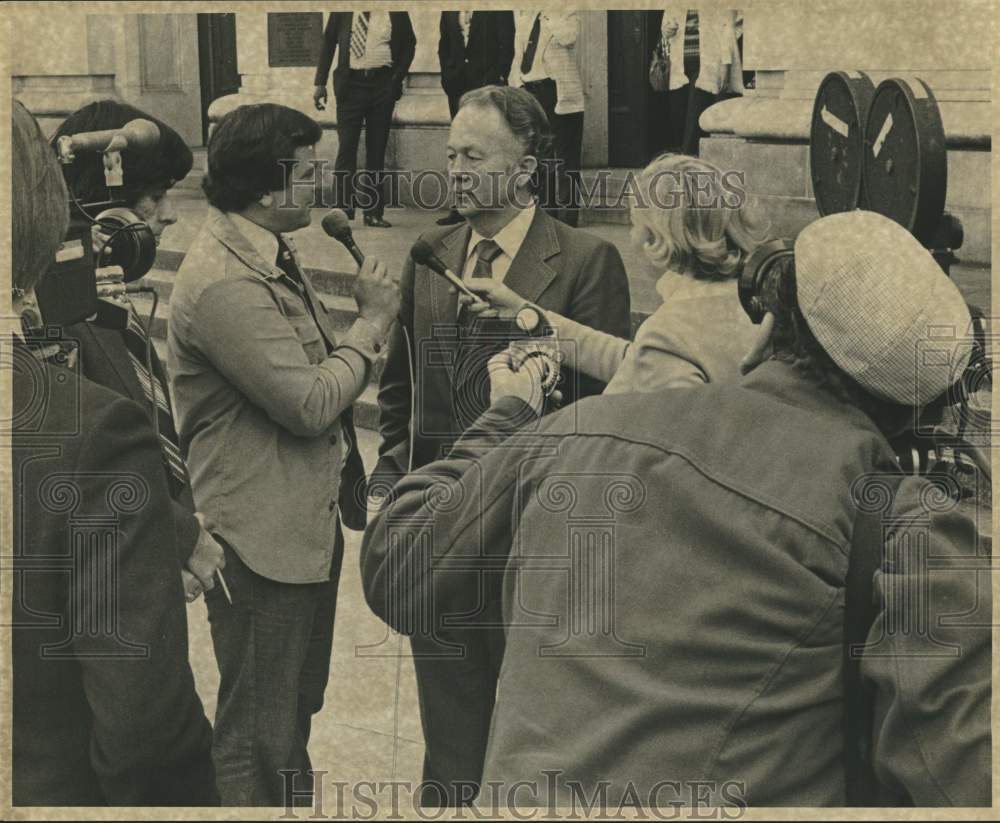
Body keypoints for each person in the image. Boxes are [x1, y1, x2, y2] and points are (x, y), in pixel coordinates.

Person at [362, 210, 990, 807]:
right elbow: (960, 776)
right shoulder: (906, 522)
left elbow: (398, 562)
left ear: (765, 329)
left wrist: (508, 413)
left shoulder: (578, 431)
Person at [373, 83, 630, 807]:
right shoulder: (429, 253)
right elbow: (401, 385)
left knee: (531, 754)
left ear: (523, 169)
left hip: (532, 547)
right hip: (443, 536)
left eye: (473, 156)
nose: (454, 169)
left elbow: (603, 418)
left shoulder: (585, 262)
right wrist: (396, 472)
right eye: (450, 153)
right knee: (451, 754)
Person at [166, 102, 400, 806]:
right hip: (256, 540)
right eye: (309, 170)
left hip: (297, 529)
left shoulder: (264, 247)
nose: (322, 181)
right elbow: (307, 403)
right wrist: (373, 322)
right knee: (258, 735)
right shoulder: (224, 282)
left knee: (290, 714)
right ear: (270, 187)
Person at [10, 100, 218, 806]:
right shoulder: (61, 346)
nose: (162, 219)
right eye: (153, 200)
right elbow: (142, 728)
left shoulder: (109, 313)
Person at [51, 99, 224, 603]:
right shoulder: (61, 316)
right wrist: (178, 537)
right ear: (104, 211)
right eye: (155, 197)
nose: (170, 216)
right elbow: (88, 470)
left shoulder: (108, 295)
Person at [462, 152, 769, 394]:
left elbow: (610, 439)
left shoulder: (668, 331)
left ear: (656, 241)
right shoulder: (757, 304)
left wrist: (518, 405)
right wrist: (528, 315)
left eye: (636, 224)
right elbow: (633, 358)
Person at [313, 10, 416, 228]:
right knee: (346, 147)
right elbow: (329, 42)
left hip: (382, 85)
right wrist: (320, 84)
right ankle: (343, 211)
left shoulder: (395, 9)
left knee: (376, 151)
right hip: (350, 86)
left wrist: (395, 79)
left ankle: (373, 213)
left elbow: (409, 44)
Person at [436, 10, 516, 226]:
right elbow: (444, 46)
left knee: (485, 146)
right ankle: (459, 208)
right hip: (457, 88)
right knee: (460, 145)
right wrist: (447, 76)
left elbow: (507, 44)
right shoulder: (449, 9)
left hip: (487, 85)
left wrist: (497, 78)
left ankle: (487, 202)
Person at [512, 11, 584, 226]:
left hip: (559, 92)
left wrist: (550, 14)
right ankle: (547, 212)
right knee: (540, 155)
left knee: (565, 157)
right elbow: (520, 52)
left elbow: (568, 37)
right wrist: (517, 83)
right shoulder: (526, 10)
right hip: (531, 90)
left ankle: (569, 216)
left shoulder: (567, 8)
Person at [661, 8, 744, 155]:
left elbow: (729, 29)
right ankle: (687, 158)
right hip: (679, 66)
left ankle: (689, 159)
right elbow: (667, 23)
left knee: (694, 118)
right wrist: (666, 30)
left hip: (706, 64)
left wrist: (726, 63)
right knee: (679, 115)